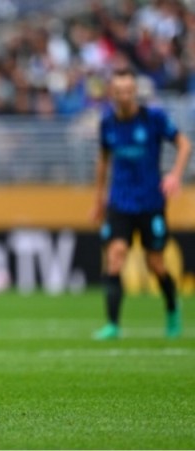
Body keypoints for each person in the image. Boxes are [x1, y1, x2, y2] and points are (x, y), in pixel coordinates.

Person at [91, 68, 191, 340]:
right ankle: (113, 324)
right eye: (118, 91)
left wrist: (175, 175)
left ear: (134, 92)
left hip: (150, 202)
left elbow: (184, 144)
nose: (124, 96)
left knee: (155, 263)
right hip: (120, 202)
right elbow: (103, 161)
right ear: (112, 94)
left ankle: (172, 308)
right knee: (115, 256)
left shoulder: (153, 118)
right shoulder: (107, 123)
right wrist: (98, 200)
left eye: (128, 91)